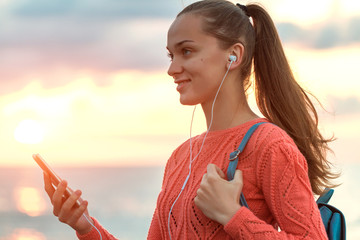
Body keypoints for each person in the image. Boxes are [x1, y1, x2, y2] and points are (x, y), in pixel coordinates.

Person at [43, 0, 339, 239]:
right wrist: (85, 227)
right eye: (171, 55)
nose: (173, 68)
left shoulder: (270, 145)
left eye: (187, 51)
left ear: (233, 55)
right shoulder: (180, 157)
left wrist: (232, 216)